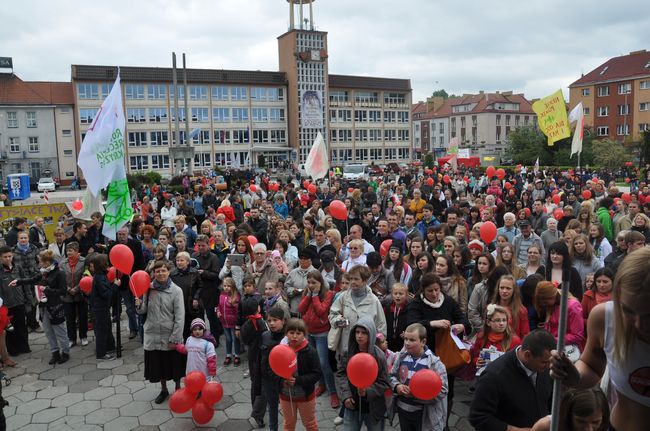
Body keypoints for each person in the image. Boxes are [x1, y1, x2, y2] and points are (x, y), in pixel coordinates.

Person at [550, 247, 650, 431]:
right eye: (627, 311)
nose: (638, 324)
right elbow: (592, 368)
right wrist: (574, 375)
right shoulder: (605, 318)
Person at [406, 272, 470, 425]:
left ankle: (443, 423)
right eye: (430, 291)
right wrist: (432, 324)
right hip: (423, 355)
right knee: (424, 390)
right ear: (423, 291)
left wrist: (461, 325)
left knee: (446, 392)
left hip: (446, 357)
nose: (434, 294)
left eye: (437, 290)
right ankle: (424, 422)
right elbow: (412, 324)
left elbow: (463, 319)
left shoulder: (447, 301)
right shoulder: (416, 303)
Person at [469, 330, 556, 431]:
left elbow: (550, 401)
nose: (550, 365)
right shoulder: (494, 375)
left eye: (551, 361)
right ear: (527, 355)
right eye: (544, 362)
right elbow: (478, 417)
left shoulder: (546, 367)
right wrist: (513, 430)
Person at [135, 260, 186, 404]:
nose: (161, 273)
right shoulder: (149, 288)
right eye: (157, 271)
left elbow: (180, 317)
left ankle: (177, 388)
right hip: (152, 333)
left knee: (174, 365)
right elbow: (143, 310)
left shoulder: (176, 291)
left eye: (163, 270)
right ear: (154, 273)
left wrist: (175, 338)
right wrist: (138, 305)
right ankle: (164, 390)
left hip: (169, 334)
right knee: (159, 366)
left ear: (169, 272)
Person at [11, 250, 69, 365]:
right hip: (43, 307)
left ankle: (65, 352)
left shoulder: (59, 273)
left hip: (55, 307)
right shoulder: (44, 272)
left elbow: (63, 291)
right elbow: (32, 280)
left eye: (40, 262)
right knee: (48, 331)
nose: (39, 264)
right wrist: (18, 282)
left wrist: (47, 290)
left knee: (60, 331)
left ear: (47, 262)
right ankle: (55, 352)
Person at [389, 322, 449, 431]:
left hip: (423, 414)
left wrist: (417, 395)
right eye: (405, 339)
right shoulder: (401, 358)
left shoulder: (434, 363)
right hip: (403, 410)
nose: (407, 343)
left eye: (412, 340)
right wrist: (397, 386)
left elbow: (443, 390)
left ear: (423, 342)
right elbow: (391, 376)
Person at [335, 316, 390, 431]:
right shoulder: (347, 353)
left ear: (371, 334)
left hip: (373, 409)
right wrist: (346, 396)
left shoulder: (379, 356)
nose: (359, 336)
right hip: (351, 405)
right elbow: (341, 374)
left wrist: (368, 391)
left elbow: (384, 382)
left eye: (364, 333)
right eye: (357, 332)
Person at [297, 269, 338, 408]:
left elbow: (321, 311)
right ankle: (321, 385)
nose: (311, 285)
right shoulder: (307, 292)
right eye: (308, 282)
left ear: (320, 282)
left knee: (323, 363)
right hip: (309, 333)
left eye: (314, 282)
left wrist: (314, 295)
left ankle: (333, 392)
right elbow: (301, 309)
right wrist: (309, 295)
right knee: (315, 363)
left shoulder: (328, 294)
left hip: (322, 334)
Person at [328, 265, 387, 357]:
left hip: (366, 352)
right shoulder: (343, 297)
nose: (352, 282)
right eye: (351, 279)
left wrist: (377, 344)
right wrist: (339, 321)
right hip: (345, 349)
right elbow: (332, 314)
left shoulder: (374, 301)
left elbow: (381, 327)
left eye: (356, 279)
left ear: (364, 281)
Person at [278, 318, 322, 431]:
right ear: (286, 333)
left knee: (310, 424)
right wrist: (282, 380)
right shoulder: (281, 350)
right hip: (286, 396)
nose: (294, 336)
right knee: (288, 424)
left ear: (304, 335)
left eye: (298, 333)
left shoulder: (310, 352)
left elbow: (316, 374)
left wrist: (297, 380)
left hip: (305, 396)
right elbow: (274, 370)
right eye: (291, 333)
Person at [534, 281, 585, 357]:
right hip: (553, 348)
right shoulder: (553, 305)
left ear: (552, 296)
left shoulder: (573, 306)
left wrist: (552, 340)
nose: (543, 304)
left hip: (568, 351)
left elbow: (578, 335)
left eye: (545, 302)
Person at [240, 296, 268, 428]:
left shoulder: (246, 325)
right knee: (262, 386)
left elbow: (244, 340)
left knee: (255, 383)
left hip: (252, 357)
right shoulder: (261, 322)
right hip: (262, 357)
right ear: (257, 308)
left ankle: (256, 408)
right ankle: (258, 413)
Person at [0, 245, 33, 358]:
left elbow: (25, 284)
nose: (8, 259)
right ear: (0, 258)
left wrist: (29, 300)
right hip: (7, 305)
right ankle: (13, 350)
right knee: (10, 328)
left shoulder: (18, 267)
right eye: (5, 257)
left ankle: (24, 346)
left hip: (20, 302)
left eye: (10, 256)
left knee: (22, 326)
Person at [469, 304, 521, 374]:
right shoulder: (481, 337)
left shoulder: (514, 340)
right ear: (488, 322)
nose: (501, 323)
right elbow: (474, 356)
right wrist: (477, 361)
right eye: (497, 320)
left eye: (504, 320)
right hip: (485, 377)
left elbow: (518, 363)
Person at [259, 306, 287, 431]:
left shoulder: (288, 338)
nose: (272, 323)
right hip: (268, 380)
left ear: (283, 321)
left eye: (275, 320)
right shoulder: (265, 335)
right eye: (269, 320)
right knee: (272, 408)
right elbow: (261, 359)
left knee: (288, 410)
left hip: (284, 381)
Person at [531, 387, 610, 431]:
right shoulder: (547, 426)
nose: (588, 429)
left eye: (595, 422)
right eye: (580, 421)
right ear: (568, 415)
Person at [88, 254, 119, 360]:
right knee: (102, 331)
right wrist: (115, 285)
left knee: (107, 328)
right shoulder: (99, 277)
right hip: (100, 308)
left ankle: (110, 347)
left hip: (102, 307)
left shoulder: (101, 275)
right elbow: (106, 294)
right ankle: (101, 353)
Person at [58, 242, 88, 348]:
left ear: (76, 251)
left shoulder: (84, 261)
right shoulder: (62, 263)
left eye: (70, 250)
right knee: (70, 318)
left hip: (80, 294)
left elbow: (85, 276)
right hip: (67, 295)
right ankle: (71, 338)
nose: (68, 252)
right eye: (67, 250)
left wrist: (77, 288)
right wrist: (68, 289)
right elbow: (60, 279)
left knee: (82, 316)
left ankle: (83, 336)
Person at [170, 251, 202, 339]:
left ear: (188, 262)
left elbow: (200, 286)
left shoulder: (194, 272)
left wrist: (196, 298)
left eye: (181, 260)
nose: (179, 263)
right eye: (177, 260)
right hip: (178, 304)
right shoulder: (173, 274)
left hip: (191, 304)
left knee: (191, 326)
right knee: (181, 327)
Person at [490, 274, 530, 339]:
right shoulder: (491, 307)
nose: (504, 291)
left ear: (514, 290)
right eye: (502, 288)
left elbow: (525, 334)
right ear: (498, 289)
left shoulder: (521, 310)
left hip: (513, 346)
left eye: (508, 288)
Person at [217, 277, 241, 366]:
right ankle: (228, 355)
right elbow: (219, 305)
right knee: (228, 339)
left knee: (235, 339)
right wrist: (218, 312)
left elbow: (238, 310)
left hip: (233, 322)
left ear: (233, 287)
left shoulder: (236, 296)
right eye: (225, 286)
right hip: (224, 322)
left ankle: (237, 355)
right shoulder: (221, 295)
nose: (226, 287)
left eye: (228, 286)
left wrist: (234, 305)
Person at [382, 282, 410, 353]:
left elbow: (413, 323)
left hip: (403, 342)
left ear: (406, 295)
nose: (398, 296)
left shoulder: (410, 308)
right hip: (389, 340)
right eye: (395, 293)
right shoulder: (387, 307)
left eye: (401, 294)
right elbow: (383, 322)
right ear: (392, 295)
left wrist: (408, 332)